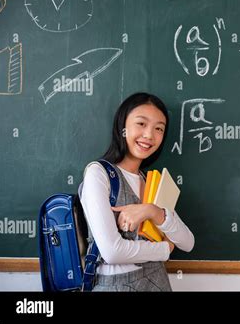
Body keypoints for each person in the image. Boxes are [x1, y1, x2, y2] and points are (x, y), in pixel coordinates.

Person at [78, 92, 194, 291]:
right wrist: (164, 249)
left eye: (159, 128)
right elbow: (112, 252)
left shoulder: (151, 181)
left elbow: (187, 242)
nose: (149, 135)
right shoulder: (98, 173)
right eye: (141, 124)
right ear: (123, 126)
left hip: (158, 282)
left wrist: (152, 211)